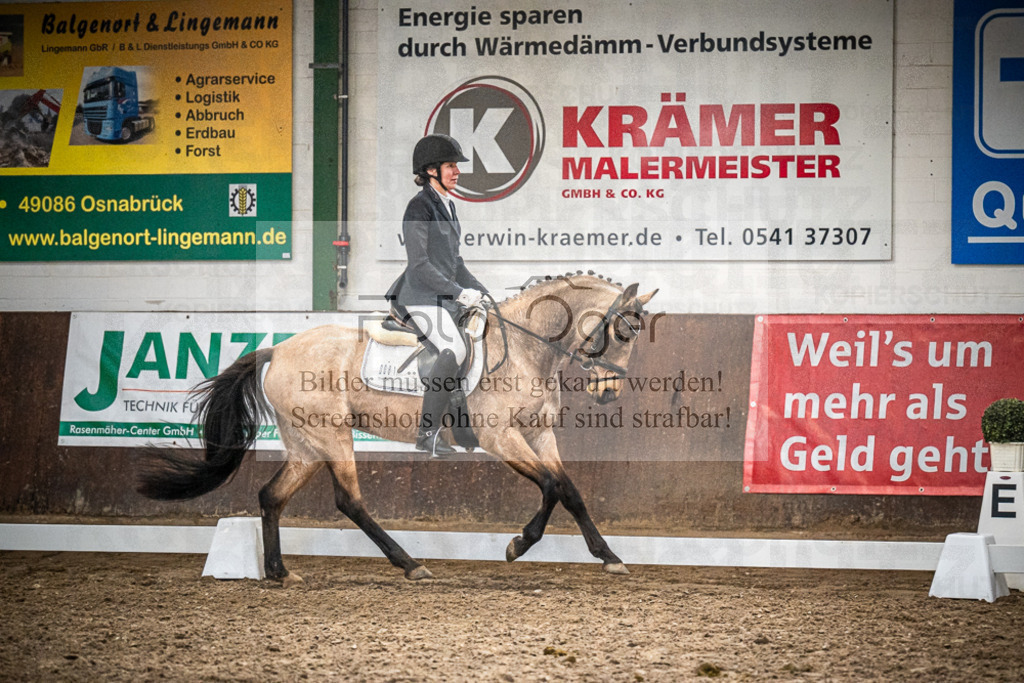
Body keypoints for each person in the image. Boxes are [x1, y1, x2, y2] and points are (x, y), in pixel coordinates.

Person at [386, 134, 488, 457]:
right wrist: (459, 293)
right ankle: (427, 433)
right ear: (431, 170)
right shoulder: (419, 207)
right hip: (418, 296)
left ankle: (461, 424)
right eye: (450, 166)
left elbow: (455, 263)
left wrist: (483, 293)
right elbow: (419, 265)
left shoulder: (449, 206)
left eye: (456, 166)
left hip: (443, 296)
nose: (456, 171)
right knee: (454, 347)